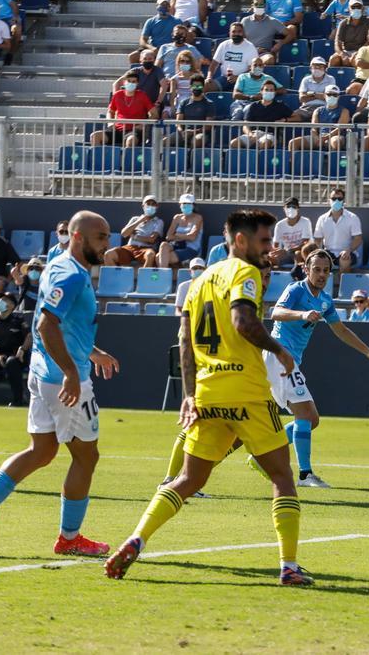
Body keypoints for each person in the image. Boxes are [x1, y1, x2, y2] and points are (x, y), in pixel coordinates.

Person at [104, 209, 312, 585]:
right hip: (246, 392)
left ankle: (137, 537)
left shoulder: (199, 282)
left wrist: (189, 394)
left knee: (187, 479)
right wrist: (278, 350)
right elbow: (243, 322)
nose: (269, 249)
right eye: (264, 241)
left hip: (207, 392)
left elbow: (184, 340)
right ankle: (289, 566)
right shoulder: (245, 273)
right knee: (282, 476)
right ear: (240, 241)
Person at [0, 211, 119, 558]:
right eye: (100, 237)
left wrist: (93, 353)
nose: (107, 244)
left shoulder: (58, 264)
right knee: (86, 456)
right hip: (61, 380)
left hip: (42, 373)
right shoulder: (72, 275)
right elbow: (47, 326)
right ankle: (70, 538)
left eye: (107, 237)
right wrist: (73, 374)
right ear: (78, 237)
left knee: (42, 451)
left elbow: (60, 324)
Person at [267, 250, 369, 488]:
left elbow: (341, 330)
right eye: (317, 269)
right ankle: (304, 475)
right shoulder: (295, 290)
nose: (322, 274)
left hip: (290, 359)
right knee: (306, 416)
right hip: (279, 355)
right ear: (306, 269)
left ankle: (263, 453)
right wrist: (302, 313)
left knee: (310, 419)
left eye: (326, 270)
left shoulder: (325, 300)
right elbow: (276, 313)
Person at [91, 71, 157, 149]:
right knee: (95, 136)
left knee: (131, 140)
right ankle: (99, 160)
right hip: (117, 130)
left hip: (134, 131)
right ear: (124, 82)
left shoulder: (142, 96)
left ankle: (126, 160)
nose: (131, 83)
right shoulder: (117, 95)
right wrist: (110, 122)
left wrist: (143, 124)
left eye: (134, 82)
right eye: (129, 81)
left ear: (137, 84)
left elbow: (154, 114)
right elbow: (110, 111)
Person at [105, 196, 165, 267]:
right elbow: (124, 234)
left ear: (157, 206)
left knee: (150, 255)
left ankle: (143, 277)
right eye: (148, 204)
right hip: (129, 247)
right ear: (143, 206)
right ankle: (116, 277)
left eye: (153, 204)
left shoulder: (158, 222)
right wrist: (140, 220)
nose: (150, 206)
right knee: (108, 254)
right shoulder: (135, 219)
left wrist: (134, 236)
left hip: (146, 249)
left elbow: (151, 239)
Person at [288, 83, 351, 151]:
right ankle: (293, 161)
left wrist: (326, 137)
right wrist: (317, 138)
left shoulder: (344, 111)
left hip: (335, 136)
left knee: (335, 142)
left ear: (338, 96)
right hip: (318, 137)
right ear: (324, 95)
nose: (331, 96)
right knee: (293, 143)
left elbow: (339, 129)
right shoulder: (318, 110)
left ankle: (332, 161)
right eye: (329, 94)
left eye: (335, 95)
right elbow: (313, 128)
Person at [313, 186, 362, 272]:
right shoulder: (322, 219)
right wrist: (318, 253)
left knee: (345, 260)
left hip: (347, 252)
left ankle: (343, 285)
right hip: (327, 252)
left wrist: (348, 250)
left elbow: (358, 239)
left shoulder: (353, 218)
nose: (336, 201)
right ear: (329, 200)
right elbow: (317, 239)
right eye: (333, 198)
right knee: (318, 261)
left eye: (339, 198)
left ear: (343, 201)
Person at [242, 0, 297, 66]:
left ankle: (253, 67)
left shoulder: (273, 21)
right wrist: (253, 50)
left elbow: (290, 34)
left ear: (265, 6)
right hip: (248, 52)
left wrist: (280, 44)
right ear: (252, 6)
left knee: (270, 59)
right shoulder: (245, 21)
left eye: (261, 4)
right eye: (256, 4)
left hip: (263, 54)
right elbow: (241, 39)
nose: (259, 6)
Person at [209, 22, 257, 92]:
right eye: (233, 31)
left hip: (243, 81)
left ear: (243, 33)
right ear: (230, 33)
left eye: (239, 31)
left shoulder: (250, 47)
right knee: (206, 86)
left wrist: (238, 77)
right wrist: (209, 77)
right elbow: (214, 64)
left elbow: (253, 69)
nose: (236, 34)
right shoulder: (223, 45)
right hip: (225, 78)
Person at [132, 0, 182, 64]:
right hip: (154, 49)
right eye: (162, 5)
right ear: (157, 6)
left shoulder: (177, 21)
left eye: (167, 5)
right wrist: (152, 48)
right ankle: (137, 74)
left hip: (170, 48)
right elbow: (142, 40)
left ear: (170, 6)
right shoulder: (151, 21)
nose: (165, 7)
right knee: (133, 56)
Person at [158, 194, 203, 268]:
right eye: (184, 203)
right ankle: (168, 274)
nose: (186, 205)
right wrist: (185, 236)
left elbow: (192, 237)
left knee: (159, 257)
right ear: (180, 205)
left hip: (191, 248)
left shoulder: (198, 218)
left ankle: (165, 275)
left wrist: (177, 235)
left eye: (189, 203)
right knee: (164, 245)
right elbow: (168, 237)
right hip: (176, 245)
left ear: (193, 205)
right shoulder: (177, 217)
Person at [273, 196, 313, 267]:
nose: (291, 209)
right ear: (284, 209)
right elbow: (275, 245)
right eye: (288, 206)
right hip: (287, 253)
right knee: (271, 258)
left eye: (294, 207)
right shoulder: (279, 225)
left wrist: (287, 250)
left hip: (302, 252)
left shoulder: (305, 222)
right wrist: (276, 253)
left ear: (298, 209)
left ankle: (298, 274)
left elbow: (305, 244)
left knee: (298, 253)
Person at [331, 0, 369, 68]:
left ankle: (357, 79)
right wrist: (343, 55)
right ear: (349, 9)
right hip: (346, 51)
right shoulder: (343, 23)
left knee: (356, 61)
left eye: (358, 7)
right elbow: (337, 43)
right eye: (353, 7)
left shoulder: (368, 22)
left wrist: (358, 53)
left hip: (362, 52)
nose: (356, 9)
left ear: (363, 8)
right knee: (333, 59)